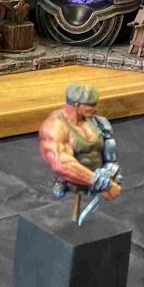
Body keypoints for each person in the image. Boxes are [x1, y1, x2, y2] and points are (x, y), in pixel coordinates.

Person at [37, 83, 122, 225]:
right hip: (73, 180)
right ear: (76, 104)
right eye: (91, 105)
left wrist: (109, 173)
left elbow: (111, 156)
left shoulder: (100, 123)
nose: (96, 108)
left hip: (98, 177)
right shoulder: (56, 126)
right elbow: (61, 164)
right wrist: (100, 182)